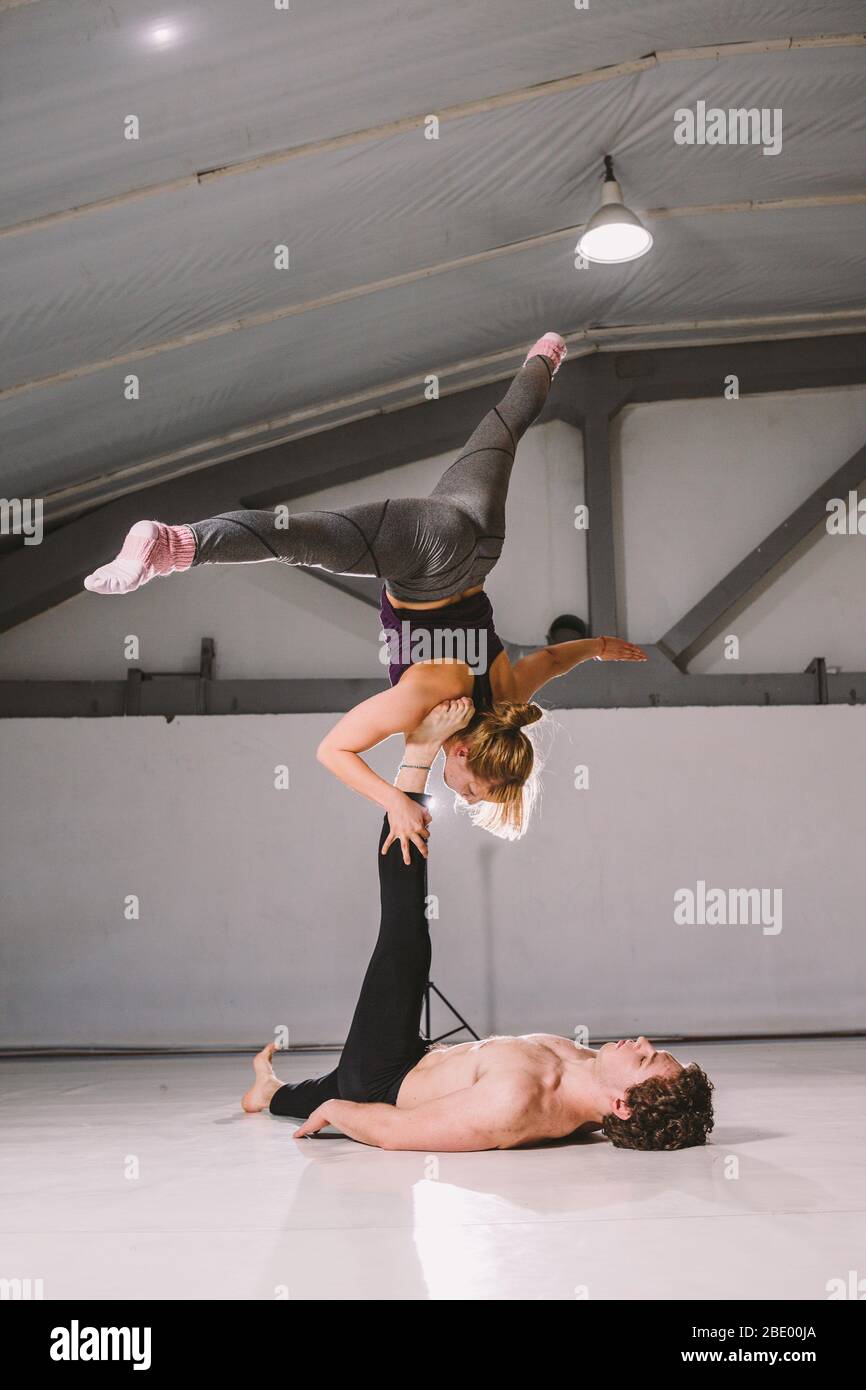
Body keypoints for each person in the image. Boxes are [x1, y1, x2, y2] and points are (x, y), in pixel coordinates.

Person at [84, 334, 646, 854]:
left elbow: (549, 659)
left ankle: (546, 358)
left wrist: (597, 646)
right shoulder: (428, 703)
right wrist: (395, 800)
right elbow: (332, 750)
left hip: (479, 543)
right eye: (473, 791)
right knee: (299, 538)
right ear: (462, 751)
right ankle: (173, 544)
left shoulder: (503, 698)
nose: (464, 798)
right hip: (429, 555)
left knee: (501, 433)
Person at [241, 699, 714, 1153]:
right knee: (333, 1077)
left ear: (621, 1104)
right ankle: (268, 1093)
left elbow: (395, 1130)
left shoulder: (515, 1106)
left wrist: (337, 1112)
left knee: (405, 938)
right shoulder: (595, 1076)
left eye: (647, 1058)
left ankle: (417, 756)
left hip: (383, 1076)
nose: (646, 1043)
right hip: (416, 1061)